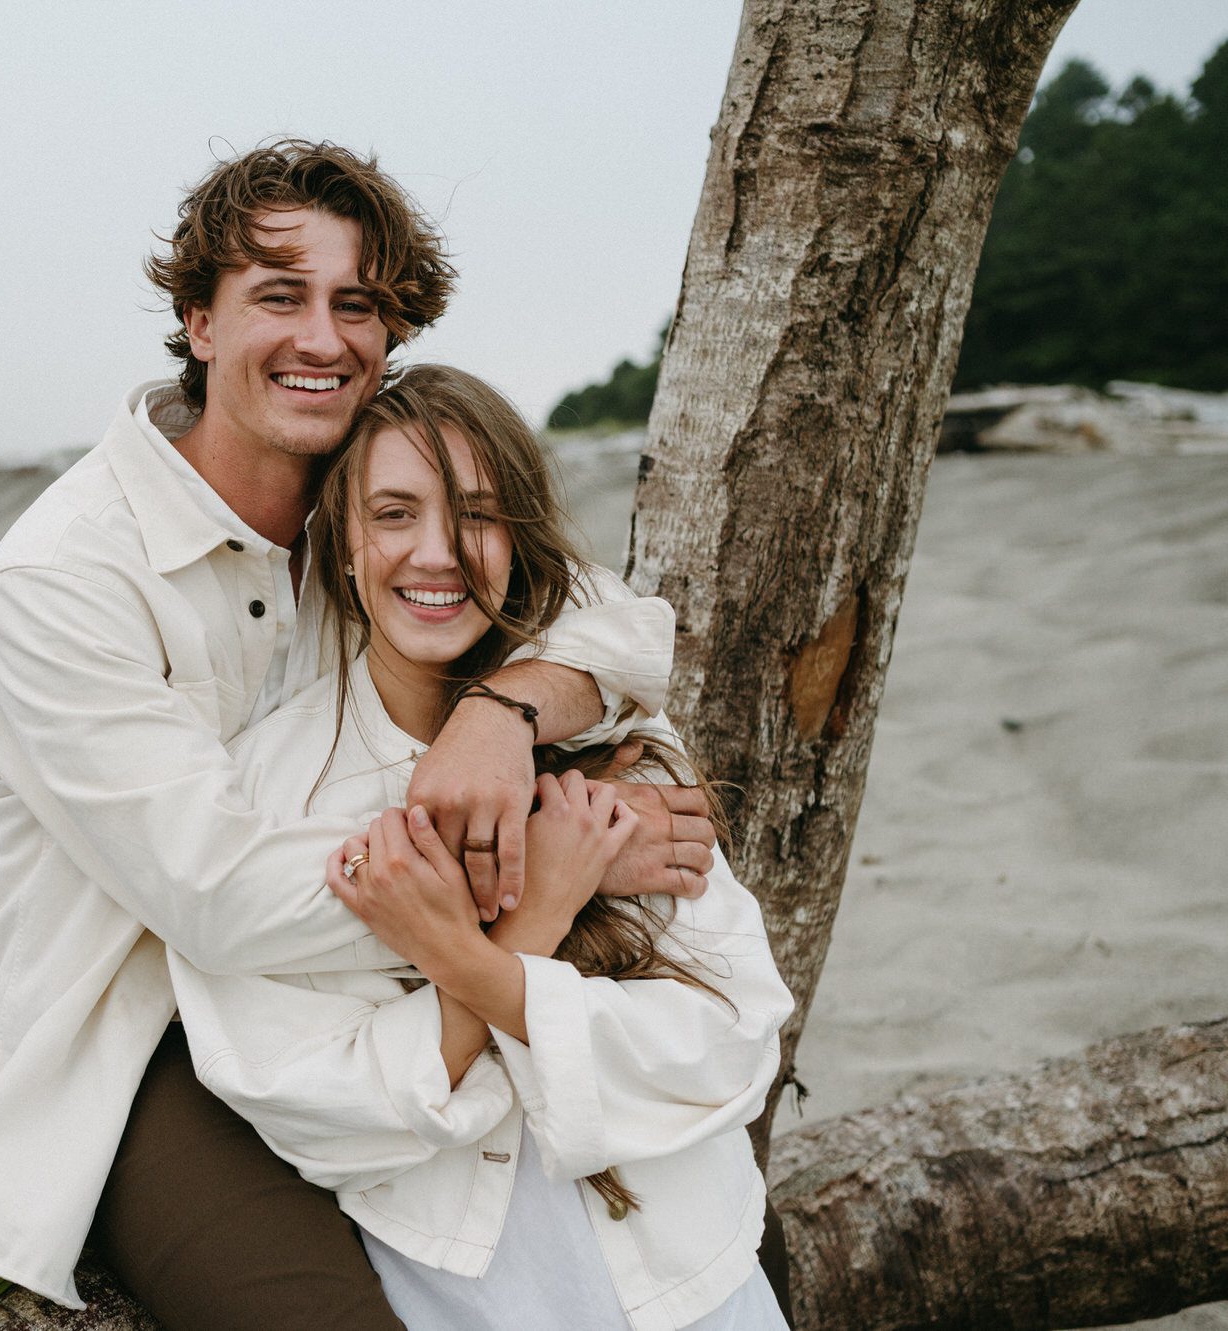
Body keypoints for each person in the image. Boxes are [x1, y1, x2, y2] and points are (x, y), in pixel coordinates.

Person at [0, 140, 720, 1327]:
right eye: (278, 295)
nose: (321, 337)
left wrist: (507, 716)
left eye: (357, 304)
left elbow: (611, 623)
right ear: (196, 319)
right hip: (155, 1049)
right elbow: (220, 894)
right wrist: (546, 861)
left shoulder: (374, 479)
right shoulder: (62, 577)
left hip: (398, 992)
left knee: (670, 1254)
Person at [170, 364, 795, 1329]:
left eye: (477, 514)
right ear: (339, 543)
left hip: (692, 1268)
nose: (438, 554)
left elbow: (731, 1036)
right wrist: (538, 912)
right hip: (477, 1286)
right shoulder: (267, 796)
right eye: (392, 513)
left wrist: (465, 959)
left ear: (518, 537)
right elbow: (323, 1109)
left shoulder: (615, 745)